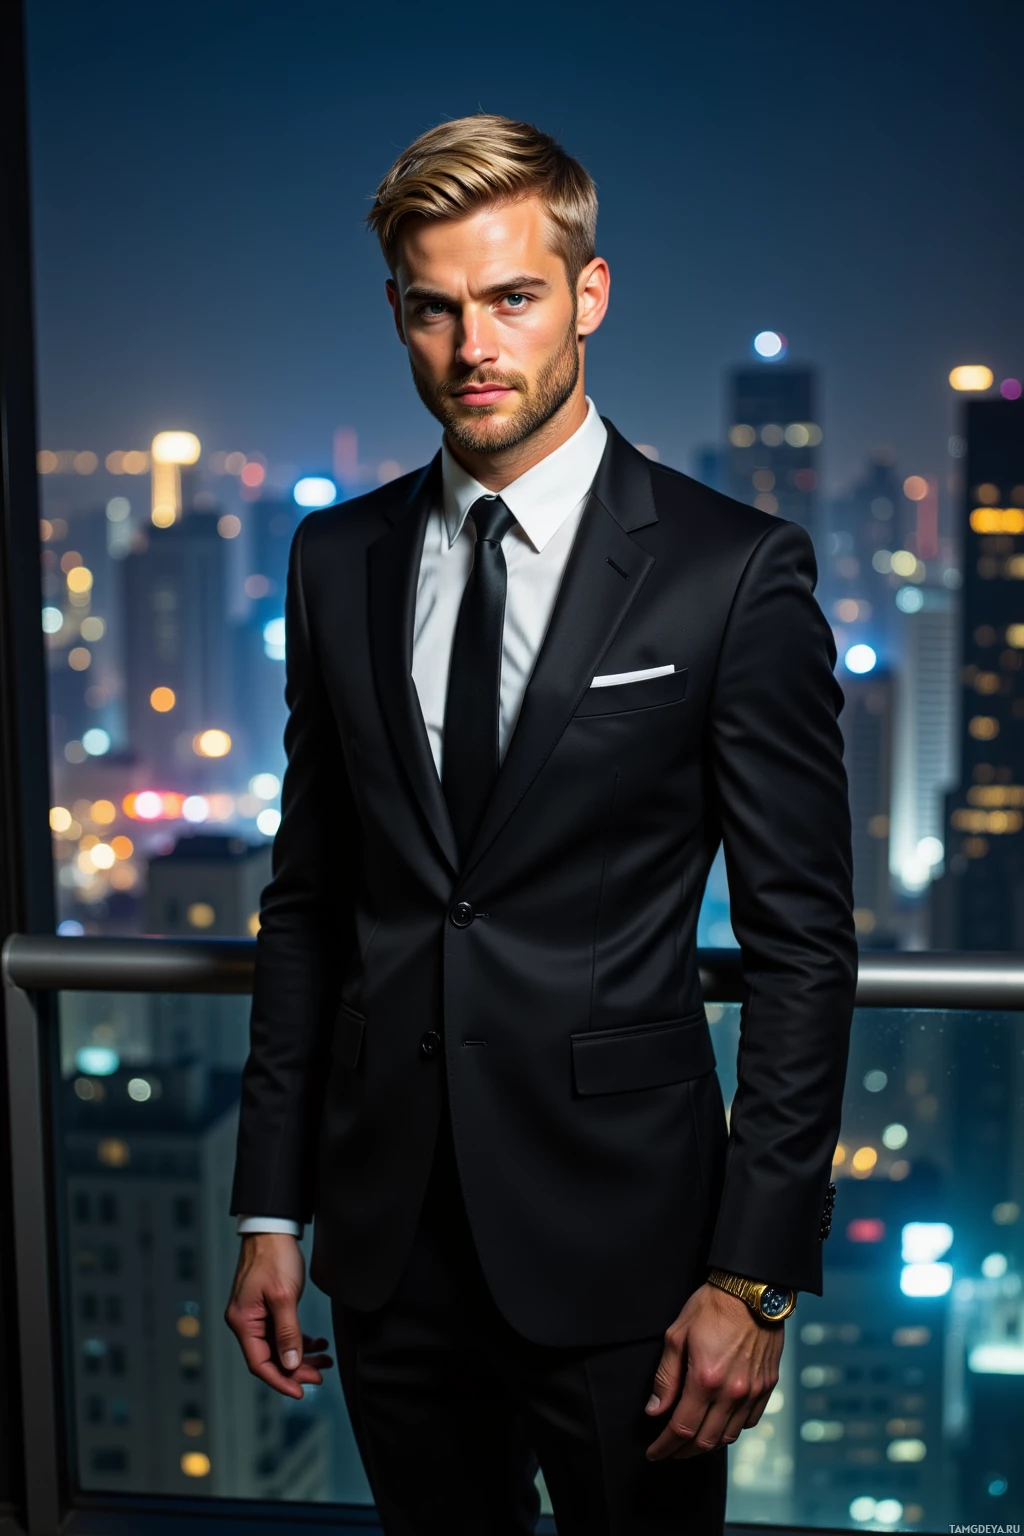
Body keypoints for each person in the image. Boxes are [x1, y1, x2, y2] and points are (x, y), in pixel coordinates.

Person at [225, 112, 857, 1535]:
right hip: (389, 1250)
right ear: (397, 313)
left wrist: (754, 1277)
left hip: (632, 1259)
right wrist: (271, 1209)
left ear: (589, 294)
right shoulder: (336, 559)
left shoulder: (730, 572)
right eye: (435, 310)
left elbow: (805, 946)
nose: (473, 349)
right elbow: (311, 898)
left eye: (511, 299)